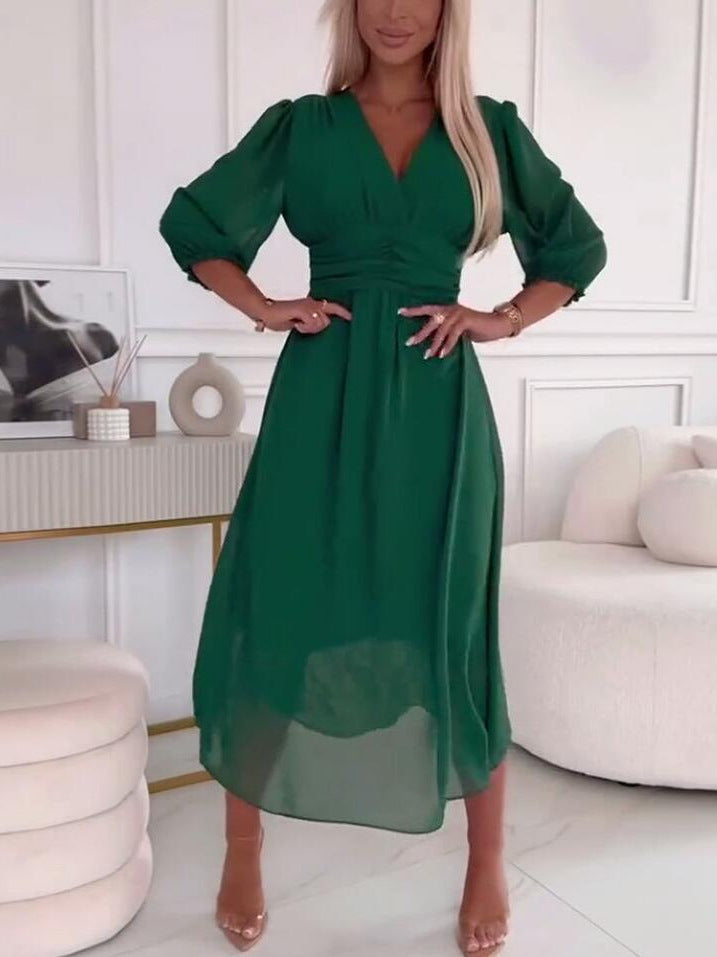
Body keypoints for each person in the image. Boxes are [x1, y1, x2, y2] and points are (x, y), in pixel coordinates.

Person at [158, 1, 607, 952]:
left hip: (439, 410)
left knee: (453, 623)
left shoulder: (487, 129)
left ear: (447, 10)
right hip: (319, 398)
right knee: (276, 608)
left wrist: (503, 318)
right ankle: (243, 844)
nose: (397, 11)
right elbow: (193, 223)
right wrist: (263, 305)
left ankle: (486, 860)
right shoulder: (302, 127)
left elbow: (574, 247)